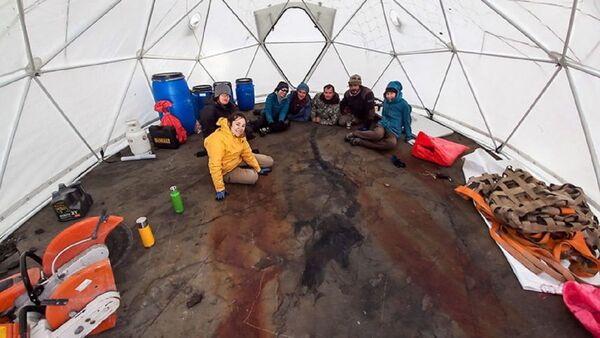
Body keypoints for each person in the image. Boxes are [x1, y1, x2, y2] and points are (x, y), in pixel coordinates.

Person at [204, 113, 274, 201]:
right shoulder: (217, 140)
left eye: (243, 126)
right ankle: (229, 177)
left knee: (269, 161)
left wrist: (258, 168)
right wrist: (220, 188)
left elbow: (247, 153)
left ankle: (250, 167)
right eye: (237, 124)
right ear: (229, 123)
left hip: (238, 158)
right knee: (253, 177)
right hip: (226, 169)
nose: (240, 128)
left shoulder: (241, 135)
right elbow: (215, 166)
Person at [344, 80, 413, 150]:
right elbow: (384, 115)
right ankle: (355, 134)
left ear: (397, 93)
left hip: (394, 130)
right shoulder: (386, 101)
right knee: (377, 135)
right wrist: (381, 123)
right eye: (387, 94)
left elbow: (406, 120)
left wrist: (408, 136)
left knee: (391, 143)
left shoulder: (403, 104)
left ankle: (360, 142)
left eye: (392, 93)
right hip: (383, 124)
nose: (389, 96)